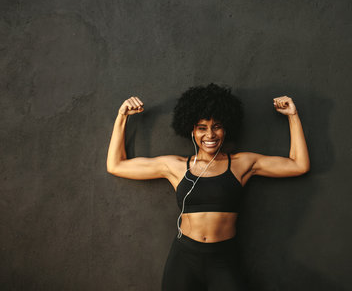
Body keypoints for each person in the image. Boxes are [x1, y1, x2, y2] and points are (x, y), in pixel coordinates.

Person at [106, 83, 310, 290]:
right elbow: (116, 165)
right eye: (202, 128)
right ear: (191, 130)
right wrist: (122, 116)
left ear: (226, 128)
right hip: (184, 258)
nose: (210, 135)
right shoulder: (175, 166)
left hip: (224, 259)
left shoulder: (242, 164)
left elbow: (299, 165)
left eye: (217, 126)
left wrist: (293, 116)